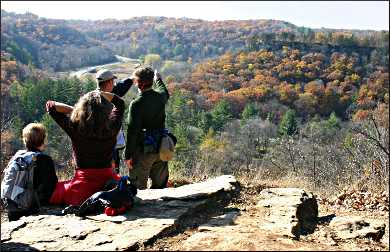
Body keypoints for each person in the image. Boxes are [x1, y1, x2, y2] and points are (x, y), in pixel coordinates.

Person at [46, 90, 124, 206]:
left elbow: (50, 106)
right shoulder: (112, 125)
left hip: (83, 184)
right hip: (107, 179)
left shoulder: (75, 127)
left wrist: (76, 111)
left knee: (56, 191)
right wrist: (100, 93)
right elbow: (120, 103)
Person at [124, 66, 170, 189]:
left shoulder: (137, 104)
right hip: (161, 147)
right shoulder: (160, 97)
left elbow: (132, 132)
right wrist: (158, 79)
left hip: (143, 151)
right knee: (160, 187)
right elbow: (164, 91)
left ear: (139, 84)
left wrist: (128, 155)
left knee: (138, 189)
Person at [1, 123, 58, 221]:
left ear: (25, 140)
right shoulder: (44, 159)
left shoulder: (18, 156)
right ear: (43, 140)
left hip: (12, 207)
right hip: (31, 209)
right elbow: (52, 187)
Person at [95, 69, 133, 174]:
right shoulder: (107, 100)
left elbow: (121, 87)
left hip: (98, 143)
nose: (114, 84)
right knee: (112, 171)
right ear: (109, 83)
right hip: (108, 142)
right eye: (113, 81)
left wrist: (132, 78)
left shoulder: (92, 98)